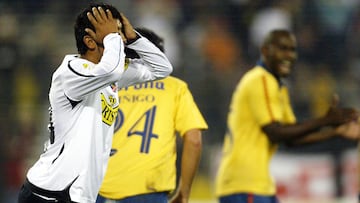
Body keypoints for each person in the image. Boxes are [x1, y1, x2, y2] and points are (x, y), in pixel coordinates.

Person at [17, 3, 172, 203]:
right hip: (50, 193)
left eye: (119, 32)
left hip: (78, 196)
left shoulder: (110, 76)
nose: (120, 39)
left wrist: (134, 37)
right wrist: (113, 38)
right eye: (112, 33)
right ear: (90, 42)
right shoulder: (71, 71)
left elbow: (162, 69)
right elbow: (110, 70)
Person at [215, 29, 360, 203]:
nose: (289, 55)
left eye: (292, 49)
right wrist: (325, 120)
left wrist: (334, 132)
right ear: (265, 50)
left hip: (257, 185)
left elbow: (292, 139)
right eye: (283, 48)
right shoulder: (260, 79)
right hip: (244, 184)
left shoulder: (278, 87)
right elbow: (275, 132)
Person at [95, 28, 208, 203]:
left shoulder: (105, 86)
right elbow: (194, 140)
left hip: (98, 188)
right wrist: (184, 191)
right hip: (147, 190)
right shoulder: (175, 88)